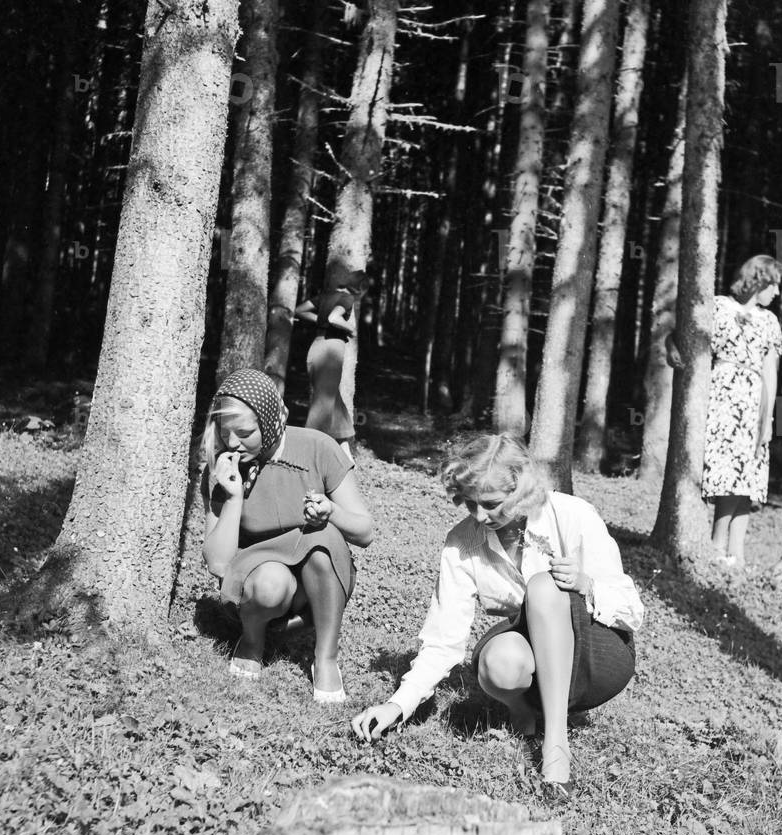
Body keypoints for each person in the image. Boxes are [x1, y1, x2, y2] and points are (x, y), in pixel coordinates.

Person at [350, 434, 644, 799]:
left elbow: (632, 610)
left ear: (521, 489)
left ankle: (555, 744)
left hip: (598, 653)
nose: (479, 516)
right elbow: (444, 641)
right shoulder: (461, 542)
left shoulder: (572, 514)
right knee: (499, 661)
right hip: (532, 657)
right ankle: (523, 710)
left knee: (543, 587)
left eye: (491, 504)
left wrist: (585, 584)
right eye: (470, 503)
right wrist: (399, 703)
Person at [201, 368, 374, 701]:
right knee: (270, 584)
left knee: (322, 540)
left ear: (268, 420)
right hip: (261, 582)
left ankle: (325, 658)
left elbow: (365, 532)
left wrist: (331, 512)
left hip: (320, 582)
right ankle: (252, 638)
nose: (234, 442)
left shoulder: (317, 447)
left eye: (245, 431)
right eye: (226, 433)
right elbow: (219, 564)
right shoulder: (223, 466)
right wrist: (233, 495)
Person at [702, 254, 782, 567]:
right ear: (758, 280)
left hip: (752, 403)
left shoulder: (769, 321)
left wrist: (768, 418)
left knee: (747, 477)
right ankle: (716, 545)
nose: (776, 292)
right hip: (723, 395)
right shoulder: (719, 306)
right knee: (726, 474)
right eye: (773, 284)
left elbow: (770, 374)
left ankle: (737, 554)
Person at [296, 262, 370, 463]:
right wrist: (350, 329)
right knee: (323, 403)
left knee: (333, 400)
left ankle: (345, 457)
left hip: (316, 347)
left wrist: (320, 321)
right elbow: (334, 317)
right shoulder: (347, 298)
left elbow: (300, 310)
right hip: (331, 350)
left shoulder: (326, 295)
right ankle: (304, 456)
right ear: (360, 288)